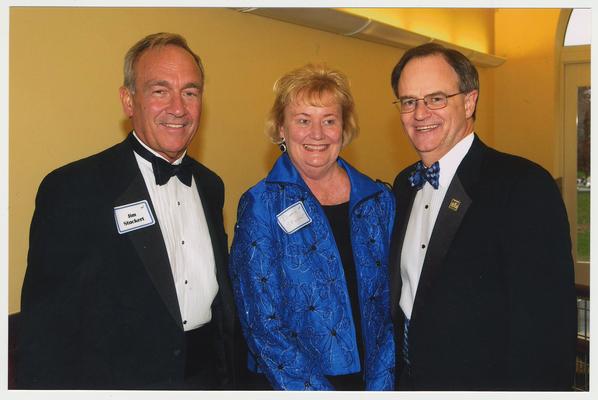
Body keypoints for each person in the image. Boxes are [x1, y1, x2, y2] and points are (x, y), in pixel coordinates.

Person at [17, 32, 236, 389]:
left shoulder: (212, 186)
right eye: (160, 90)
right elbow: (44, 330)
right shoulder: (74, 188)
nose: (178, 108)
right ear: (128, 100)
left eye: (190, 92)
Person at [388, 43, 577, 390]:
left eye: (436, 98)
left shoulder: (523, 186)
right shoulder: (403, 185)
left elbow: (547, 330)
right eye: (409, 101)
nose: (420, 113)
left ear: (470, 101)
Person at [229, 64, 395, 391]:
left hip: (375, 382)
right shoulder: (261, 205)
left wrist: (382, 385)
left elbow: (391, 308)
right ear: (280, 128)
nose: (317, 134)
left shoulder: (378, 201)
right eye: (303, 120)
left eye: (329, 121)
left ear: (344, 129)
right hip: (292, 386)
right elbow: (261, 322)